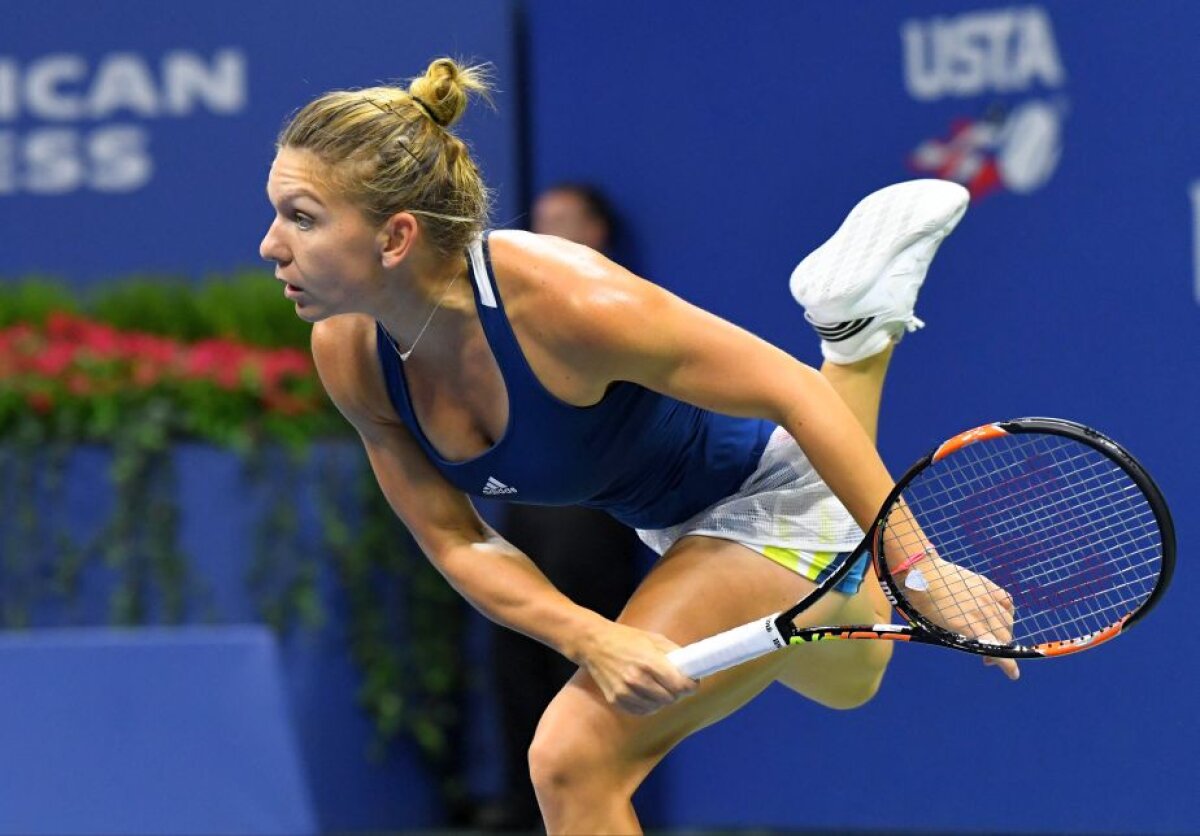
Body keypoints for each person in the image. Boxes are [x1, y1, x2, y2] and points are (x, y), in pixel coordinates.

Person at [259, 58, 1018, 834]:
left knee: (572, 760)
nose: (270, 244)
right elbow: (457, 540)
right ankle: (857, 332)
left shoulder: (568, 302)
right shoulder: (351, 354)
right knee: (852, 677)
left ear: (395, 237)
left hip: (758, 494)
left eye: (301, 218)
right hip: (669, 525)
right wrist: (590, 635)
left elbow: (794, 393)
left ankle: (856, 340)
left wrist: (920, 570)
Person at [484, 183, 644, 831]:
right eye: (540, 221)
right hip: (525, 519)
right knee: (516, 663)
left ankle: (594, 806)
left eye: (563, 221)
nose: (544, 233)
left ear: (597, 232)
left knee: (585, 684)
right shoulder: (505, 320)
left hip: (596, 522)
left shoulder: (617, 308)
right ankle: (524, 813)